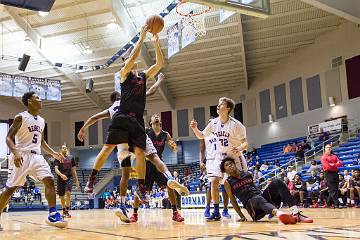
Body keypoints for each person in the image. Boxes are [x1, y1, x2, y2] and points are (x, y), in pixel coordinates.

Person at [78, 88, 188, 222]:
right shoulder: (131, 101)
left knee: (122, 171)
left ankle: (115, 199)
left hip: (122, 140)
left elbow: (94, 117)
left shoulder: (112, 109)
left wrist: (82, 129)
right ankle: (165, 179)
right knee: (152, 160)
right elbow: (149, 92)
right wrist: (158, 82)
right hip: (138, 140)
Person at [105, 24, 164, 202]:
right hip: (124, 123)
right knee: (123, 166)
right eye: (127, 60)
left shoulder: (143, 77)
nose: (130, 61)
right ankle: (118, 198)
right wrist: (141, 37)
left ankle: (142, 188)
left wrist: (156, 42)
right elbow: (133, 57)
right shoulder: (124, 74)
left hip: (137, 121)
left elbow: (159, 64)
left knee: (141, 154)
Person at [0, 92, 67, 231]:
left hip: (37, 156)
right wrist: (16, 152)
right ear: (29, 101)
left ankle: (53, 214)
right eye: (37, 98)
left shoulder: (42, 120)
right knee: (11, 189)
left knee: (49, 180)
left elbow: (42, 141)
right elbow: (8, 138)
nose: (41, 100)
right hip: (21, 155)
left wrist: (53, 153)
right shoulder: (21, 117)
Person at [190, 97, 248, 221]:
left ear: (227, 109)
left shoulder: (236, 125)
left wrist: (239, 148)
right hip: (220, 156)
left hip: (234, 155)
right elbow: (201, 135)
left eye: (221, 104)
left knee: (243, 183)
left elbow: (245, 143)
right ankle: (216, 212)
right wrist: (194, 128)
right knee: (214, 181)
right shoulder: (214, 123)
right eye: (218, 104)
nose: (218, 106)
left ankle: (255, 204)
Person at [221, 157, 313, 224]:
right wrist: (241, 216)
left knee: (277, 182)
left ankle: (295, 213)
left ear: (234, 164)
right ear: (225, 171)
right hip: (253, 208)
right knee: (257, 198)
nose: (230, 166)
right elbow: (233, 200)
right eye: (226, 166)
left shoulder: (247, 174)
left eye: (230, 164)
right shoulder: (228, 182)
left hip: (261, 198)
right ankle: (280, 214)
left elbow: (254, 189)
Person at [129, 114, 185, 223]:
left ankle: (175, 212)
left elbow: (172, 145)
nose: (156, 116)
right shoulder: (146, 131)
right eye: (154, 116)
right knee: (139, 190)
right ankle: (134, 214)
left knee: (170, 186)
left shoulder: (165, 134)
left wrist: (174, 146)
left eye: (158, 116)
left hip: (159, 163)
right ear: (150, 122)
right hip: (147, 164)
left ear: (160, 122)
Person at [199, 119, 230, 219]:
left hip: (222, 159)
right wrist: (201, 161)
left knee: (225, 185)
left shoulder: (222, 133)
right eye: (210, 122)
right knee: (211, 185)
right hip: (211, 161)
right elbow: (202, 149)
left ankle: (225, 210)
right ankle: (208, 208)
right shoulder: (205, 134)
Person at [54, 143, 80, 218]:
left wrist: (77, 181)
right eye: (63, 148)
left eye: (65, 148)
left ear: (67, 149)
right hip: (60, 179)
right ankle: (64, 210)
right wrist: (61, 175)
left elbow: (73, 170)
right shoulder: (57, 158)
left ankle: (67, 211)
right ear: (60, 150)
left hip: (69, 178)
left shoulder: (71, 158)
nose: (64, 149)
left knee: (68, 193)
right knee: (61, 196)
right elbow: (55, 169)